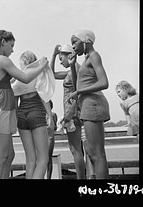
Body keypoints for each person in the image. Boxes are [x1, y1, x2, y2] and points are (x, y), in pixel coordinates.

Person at [0, 30, 48, 179]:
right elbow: (25, 77)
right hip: (1, 106)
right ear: (3, 41)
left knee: (9, 155)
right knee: (1, 156)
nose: (13, 50)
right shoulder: (2, 60)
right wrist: (41, 66)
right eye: (11, 45)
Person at [68, 28, 110, 179]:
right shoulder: (85, 59)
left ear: (85, 40)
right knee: (93, 153)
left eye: (74, 42)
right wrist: (73, 65)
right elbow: (77, 86)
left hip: (94, 105)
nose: (72, 46)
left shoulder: (94, 56)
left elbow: (104, 82)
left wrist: (79, 92)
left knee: (97, 153)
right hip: (87, 106)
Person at [12, 50, 55, 179]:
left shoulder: (17, 80)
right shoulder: (38, 75)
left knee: (30, 160)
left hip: (21, 115)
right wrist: (50, 116)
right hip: (36, 113)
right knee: (43, 159)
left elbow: (15, 105)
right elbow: (44, 97)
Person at [50, 44, 85, 179]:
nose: (60, 61)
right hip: (72, 112)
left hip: (73, 113)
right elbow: (52, 74)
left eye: (60, 58)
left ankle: (81, 179)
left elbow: (77, 94)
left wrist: (68, 115)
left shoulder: (75, 69)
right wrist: (53, 55)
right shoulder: (72, 70)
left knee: (75, 149)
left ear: (69, 55)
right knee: (76, 149)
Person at [46, 100, 58, 179]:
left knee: (48, 158)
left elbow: (55, 127)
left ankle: (49, 177)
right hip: (42, 138)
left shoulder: (53, 115)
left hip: (50, 137)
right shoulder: (40, 115)